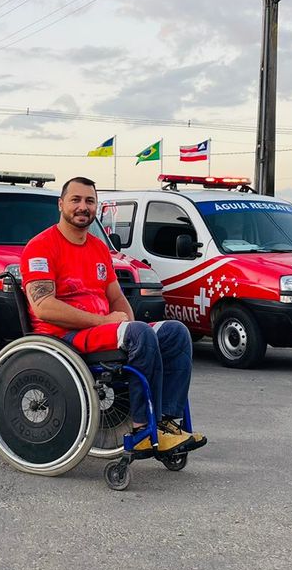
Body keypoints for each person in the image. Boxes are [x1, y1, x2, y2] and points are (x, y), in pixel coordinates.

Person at [20, 176, 206, 456]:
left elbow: (116, 297)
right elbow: (43, 307)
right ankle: (143, 428)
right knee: (139, 334)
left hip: (102, 331)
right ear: (61, 205)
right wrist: (106, 322)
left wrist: (127, 321)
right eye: (76, 200)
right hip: (63, 337)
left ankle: (167, 423)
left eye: (90, 201)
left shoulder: (97, 248)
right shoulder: (41, 247)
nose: (83, 207)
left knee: (175, 332)